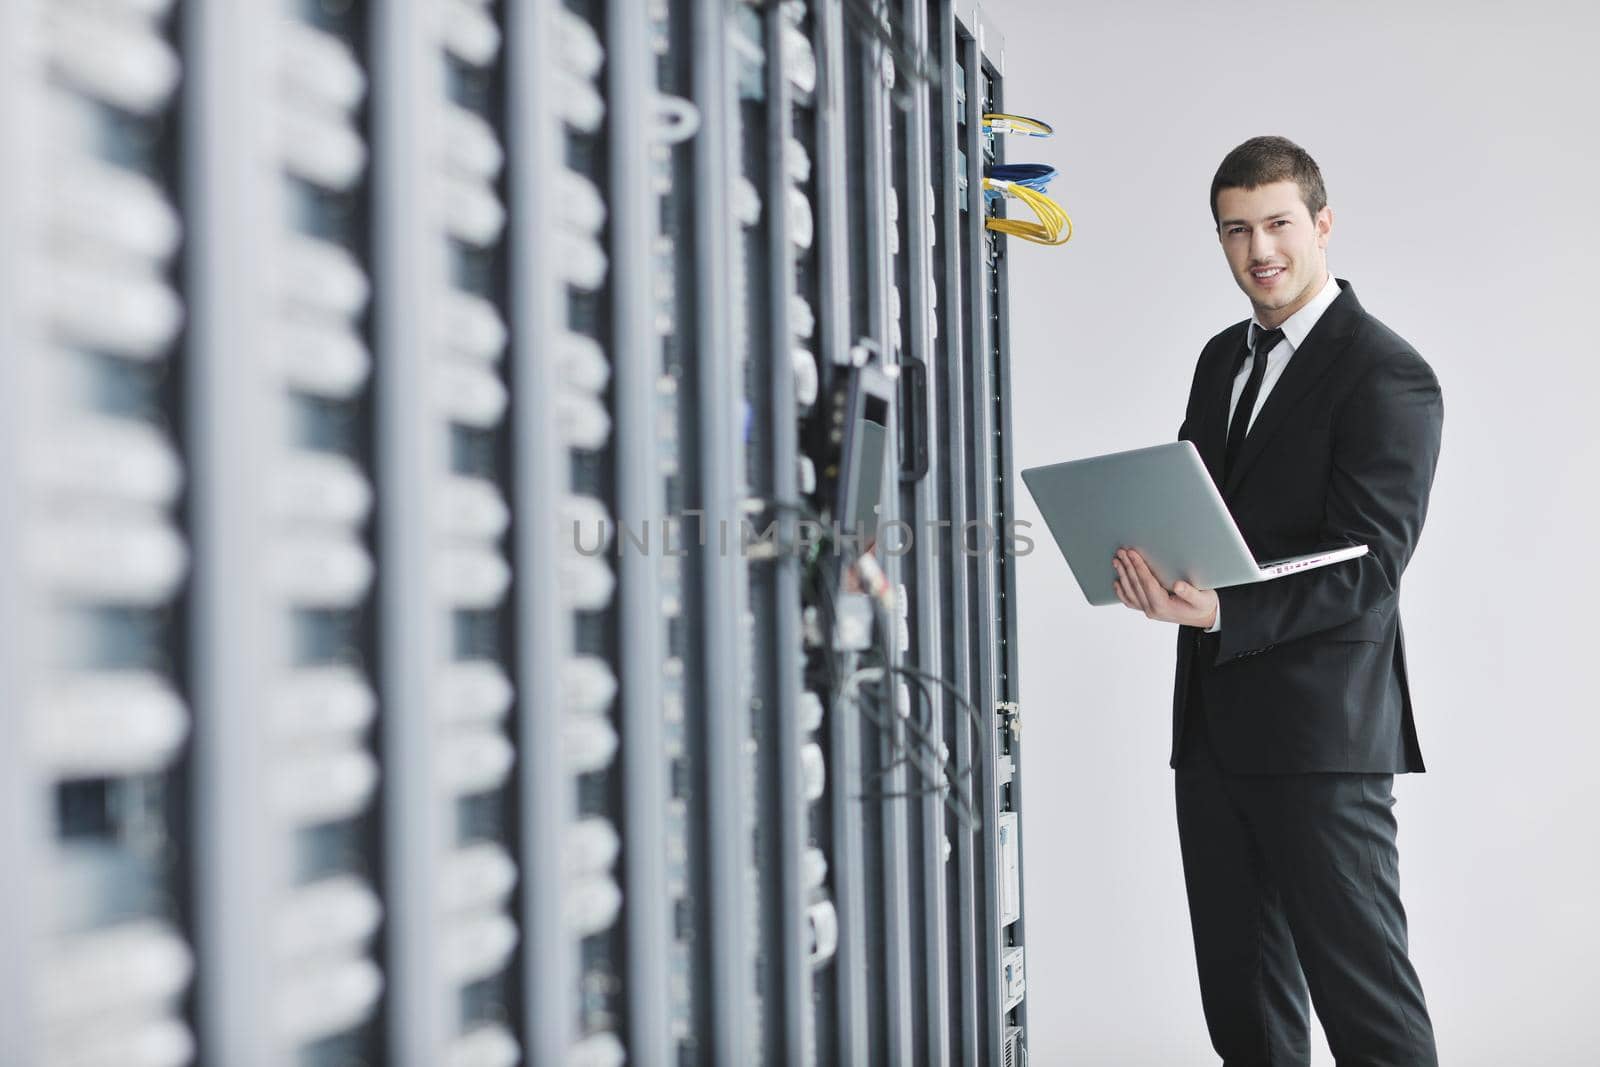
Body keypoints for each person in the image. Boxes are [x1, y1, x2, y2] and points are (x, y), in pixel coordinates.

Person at [1110, 135, 1443, 1066]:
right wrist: (1149, 565)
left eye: (1278, 224)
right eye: (1235, 230)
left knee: (1367, 1008)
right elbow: (1199, 507)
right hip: (1213, 733)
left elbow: (1371, 565)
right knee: (1244, 1014)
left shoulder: (1387, 371)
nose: (1259, 250)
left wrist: (1223, 612)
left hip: (1320, 744)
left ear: (1323, 223)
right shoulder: (1222, 359)